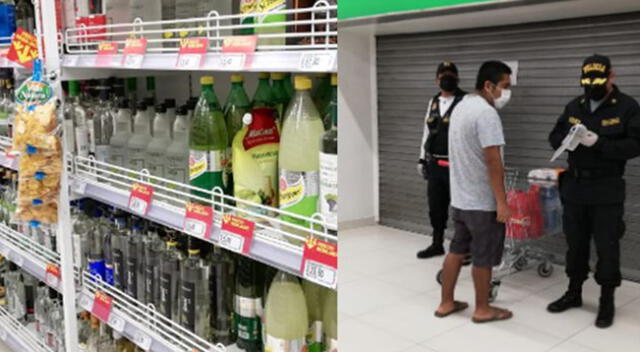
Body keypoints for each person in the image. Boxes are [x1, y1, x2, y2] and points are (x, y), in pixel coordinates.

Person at [547, 54, 640, 328]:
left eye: (598, 80)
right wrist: (567, 139)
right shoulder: (575, 104)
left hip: (606, 189)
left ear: (611, 76)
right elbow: (554, 135)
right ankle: (574, 292)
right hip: (575, 187)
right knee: (575, 244)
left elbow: (635, 145)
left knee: (607, 247)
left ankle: (606, 300)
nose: (592, 87)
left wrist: (599, 143)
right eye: (587, 82)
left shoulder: (627, 107)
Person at [434, 61, 513, 323]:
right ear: (489, 86)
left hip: (460, 200)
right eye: (504, 86)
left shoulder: (461, 107)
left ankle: (446, 303)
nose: (506, 93)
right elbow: (493, 161)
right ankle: (482, 309)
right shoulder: (486, 114)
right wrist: (502, 202)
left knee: (457, 249)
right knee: (483, 255)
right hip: (481, 202)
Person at [416, 61, 467, 259]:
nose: (447, 79)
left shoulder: (466, 100)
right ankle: (437, 243)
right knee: (436, 206)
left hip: (457, 165)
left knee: (461, 208)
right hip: (435, 163)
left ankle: (463, 247)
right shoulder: (433, 102)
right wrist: (422, 159)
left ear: (457, 78)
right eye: (443, 75)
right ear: (437, 79)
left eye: (451, 76)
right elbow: (426, 131)